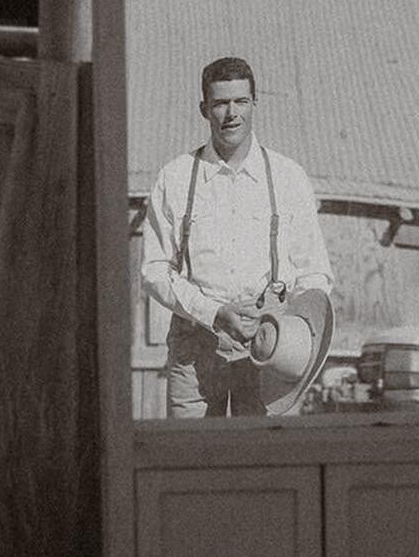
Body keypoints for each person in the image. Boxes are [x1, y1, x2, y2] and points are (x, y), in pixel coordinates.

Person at [141, 56, 333, 417]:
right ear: (204, 108)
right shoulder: (176, 178)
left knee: (265, 460)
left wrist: (285, 326)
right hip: (196, 345)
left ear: (254, 103)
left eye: (241, 101)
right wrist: (214, 312)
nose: (232, 113)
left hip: (269, 345)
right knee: (191, 460)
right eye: (220, 103)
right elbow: (154, 270)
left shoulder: (288, 176)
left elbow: (315, 273)